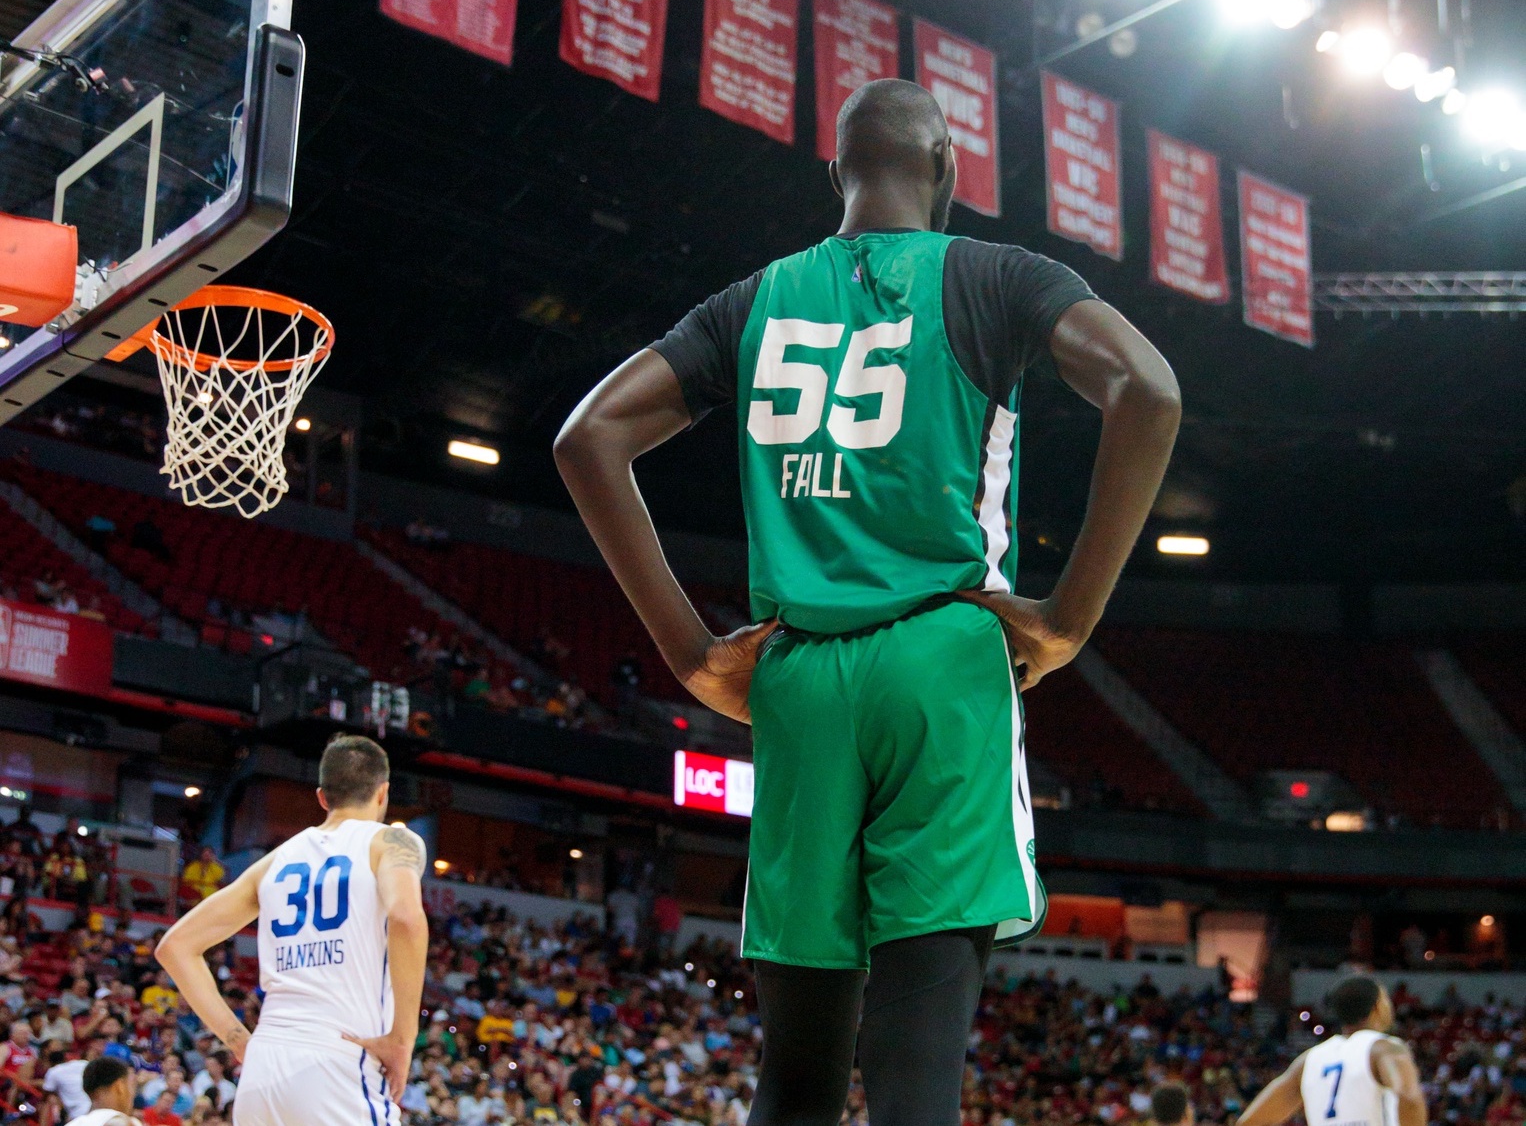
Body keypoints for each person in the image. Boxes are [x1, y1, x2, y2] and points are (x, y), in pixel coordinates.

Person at [554, 78, 1180, 1126]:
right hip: (942, 657)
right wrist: (1067, 615)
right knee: (914, 1065)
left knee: (792, 1080)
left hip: (796, 676)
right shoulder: (998, 275)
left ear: (834, 172)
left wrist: (689, 650)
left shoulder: (752, 299)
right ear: (945, 168)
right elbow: (1147, 389)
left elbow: (586, 438)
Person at [154, 734, 430, 1126]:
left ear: (322, 797)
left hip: (263, 1069)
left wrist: (237, 1040)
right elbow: (406, 918)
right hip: (337, 1060)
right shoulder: (390, 841)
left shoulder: (276, 860)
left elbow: (175, 947)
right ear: (383, 793)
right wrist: (403, 1039)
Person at [1236, 977, 1426, 1126]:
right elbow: (1408, 1097)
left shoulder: (1309, 1060)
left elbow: (1250, 1121)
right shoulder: (1384, 1049)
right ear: (1377, 1007)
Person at [65, 1055, 139, 1126]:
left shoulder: (73, 1123)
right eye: (132, 1086)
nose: (133, 1094)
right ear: (119, 1086)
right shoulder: (124, 1122)